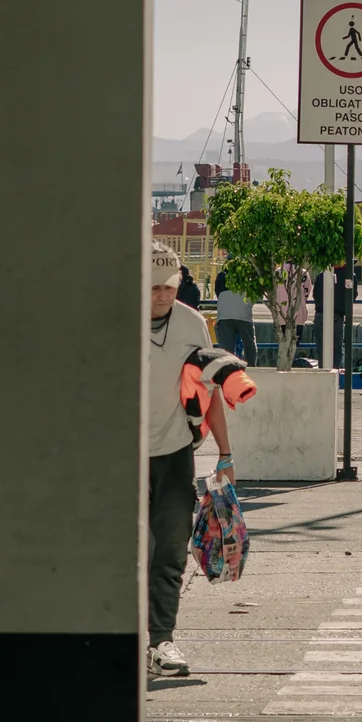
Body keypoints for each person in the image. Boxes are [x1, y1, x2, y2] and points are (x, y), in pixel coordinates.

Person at [148, 241, 231, 678]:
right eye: (152, 287)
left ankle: (161, 639)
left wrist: (225, 452)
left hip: (175, 450)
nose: (160, 295)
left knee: (170, 549)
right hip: (120, 455)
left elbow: (213, 386)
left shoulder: (192, 324)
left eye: (168, 287)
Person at [212, 264, 256, 366]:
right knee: (249, 344)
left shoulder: (221, 275)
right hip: (243, 313)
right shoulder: (247, 273)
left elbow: (218, 293)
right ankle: (251, 368)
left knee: (226, 349)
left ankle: (228, 369)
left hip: (224, 314)